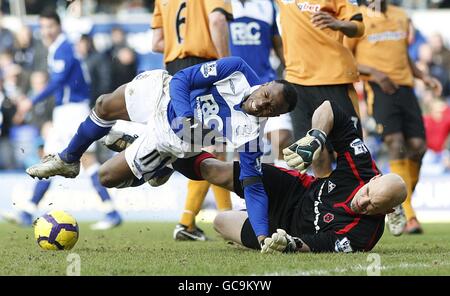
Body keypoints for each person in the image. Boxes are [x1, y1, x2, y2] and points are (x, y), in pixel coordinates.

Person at [25, 57, 298, 244]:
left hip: (169, 141)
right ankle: (68, 159)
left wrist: (262, 236)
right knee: (104, 104)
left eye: (271, 109)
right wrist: (185, 114)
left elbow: (252, 184)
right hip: (163, 95)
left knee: (106, 178)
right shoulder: (237, 70)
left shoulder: (251, 135)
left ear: (274, 116)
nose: (263, 105)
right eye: (266, 96)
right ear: (264, 85)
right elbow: (182, 79)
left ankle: (161, 161)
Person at [173, 100, 407, 253]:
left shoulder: (365, 236)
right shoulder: (363, 167)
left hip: (286, 229)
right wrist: (316, 138)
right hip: (294, 189)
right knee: (215, 171)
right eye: (367, 194)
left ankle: (254, 215)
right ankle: (167, 154)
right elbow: (329, 108)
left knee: (220, 221)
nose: (362, 202)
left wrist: (289, 244)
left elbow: (318, 245)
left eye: (372, 206)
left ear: (387, 213)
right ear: (373, 180)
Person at [2, 10, 122, 230]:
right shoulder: (58, 48)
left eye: (51, 26)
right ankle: (28, 209)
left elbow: (57, 82)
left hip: (72, 111)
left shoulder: (63, 48)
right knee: (54, 160)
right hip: (66, 111)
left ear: (59, 27)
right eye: (43, 27)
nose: (47, 31)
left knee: (84, 160)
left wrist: (31, 100)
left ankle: (111, 211)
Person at [344, 0, 442, 235]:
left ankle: (402, 201)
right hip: (380, 90)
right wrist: (376, 74)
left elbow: (404, 55)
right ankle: (408, 214)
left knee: (418, 147)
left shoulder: (401, 16)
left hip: (406, 88)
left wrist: (422, 77)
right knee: (395, 143)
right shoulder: (358, 18)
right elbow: (346, 58)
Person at [151, 0, 234, 241]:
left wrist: (183, 43)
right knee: (214, 145)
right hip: (202, 67)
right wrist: (226, 63)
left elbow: (156, 43)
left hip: (173, 71)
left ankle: (199, 221)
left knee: (197, 145)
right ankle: (199, 221)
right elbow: (217, 20)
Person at [274, 0, 365, 178]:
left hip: (334, 77)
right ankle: (327, 201)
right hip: (297, 80)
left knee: (349, 148)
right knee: (313, 150)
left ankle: (356, 196)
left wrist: (338, 24)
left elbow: (359, 27)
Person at [229, 0, 293, 167]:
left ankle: (285, 188)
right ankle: (247, 189)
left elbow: (277, 43)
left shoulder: (266, 5)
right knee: (244, 150)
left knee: (283, 139)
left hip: (266, 85)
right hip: (234, 89)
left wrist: (290, 68)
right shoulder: (219, 4)